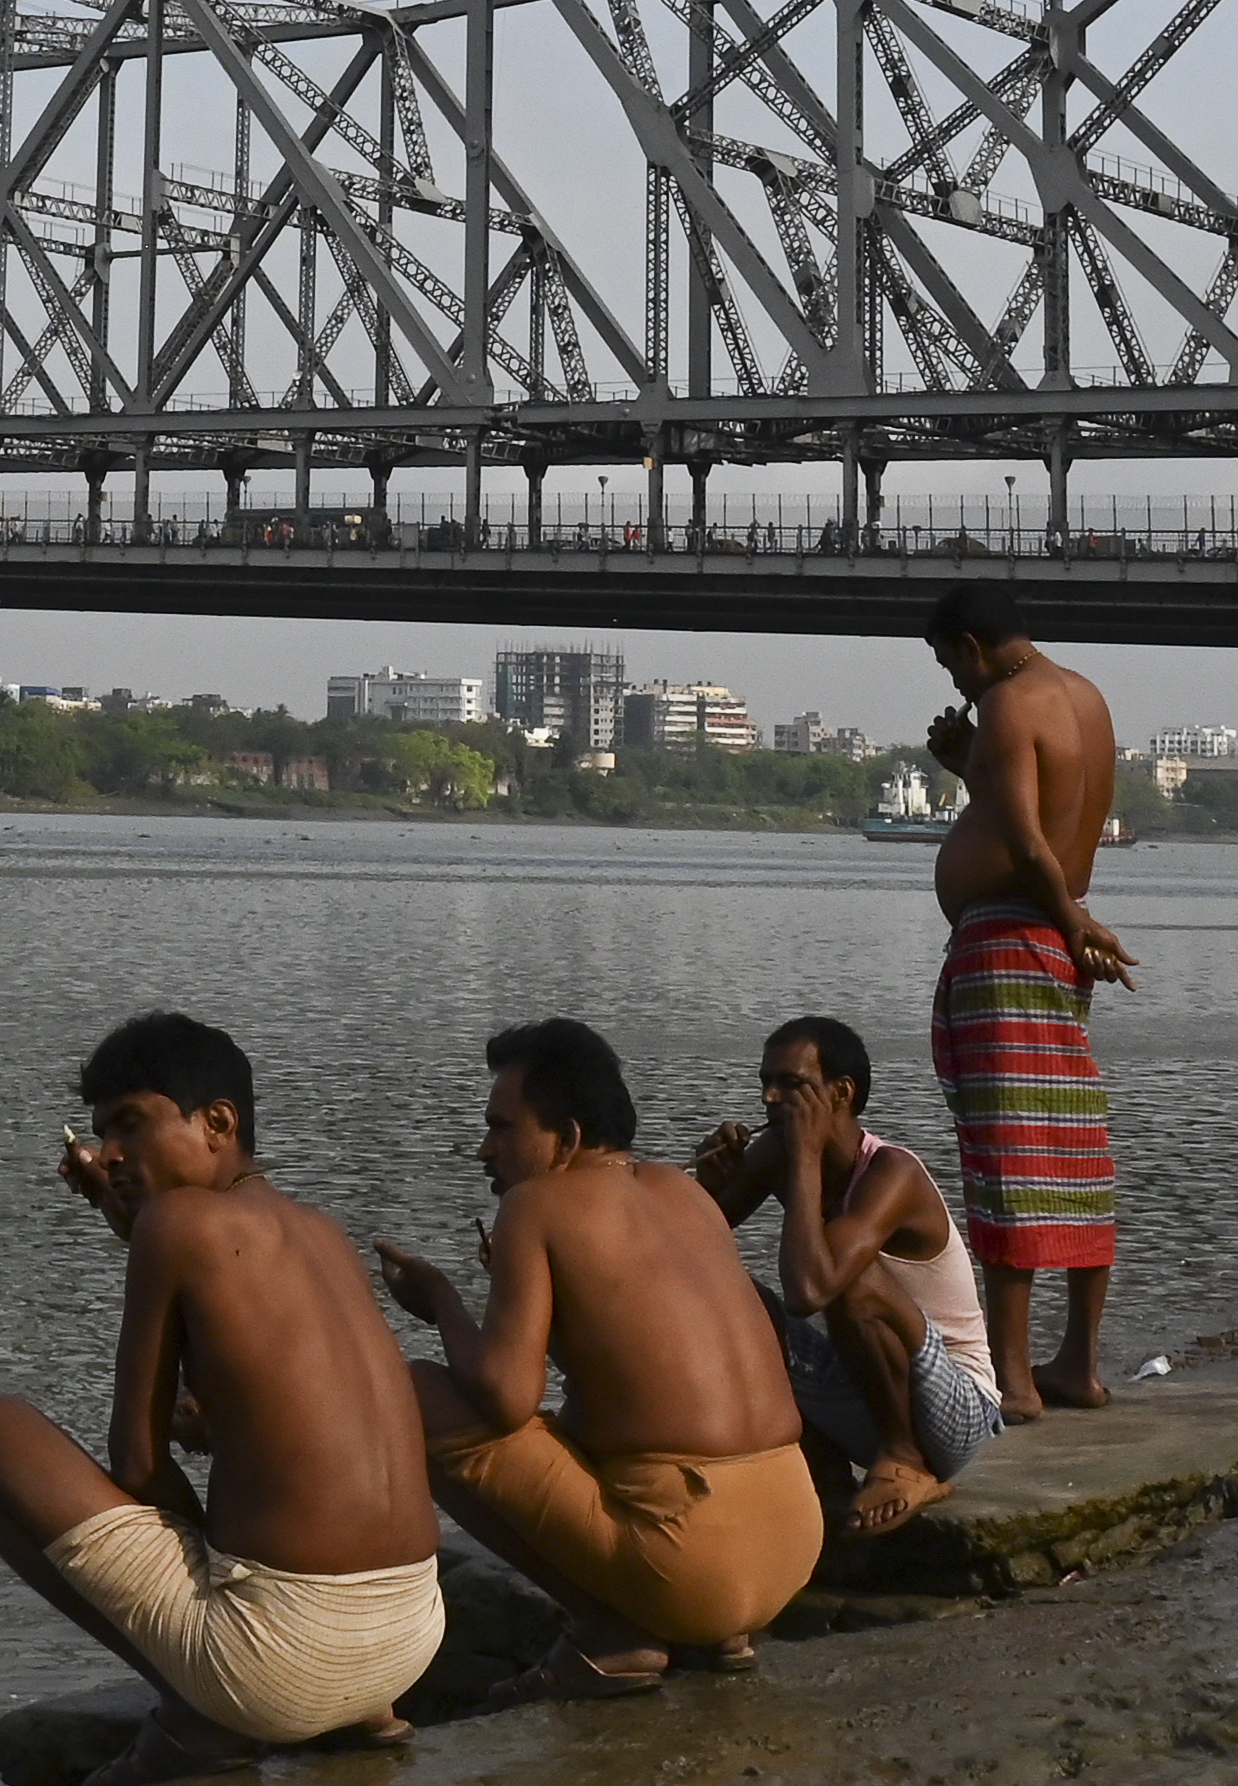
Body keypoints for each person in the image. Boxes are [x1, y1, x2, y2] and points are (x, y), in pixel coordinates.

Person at [0, 1012, 448, 1786]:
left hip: (282, 1664)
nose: (107, 1153)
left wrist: (212, 1579)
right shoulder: (320, 1231)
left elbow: (136, 1461)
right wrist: (133, 1214)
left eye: (129, 1124)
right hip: (409, 1638)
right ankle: (349, 1709)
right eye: (98, 1132)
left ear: (216, 1122)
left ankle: (196, 1713)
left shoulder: (174, 1224)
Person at [374, 1019, 823, 1699]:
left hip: (693, 1559)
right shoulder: (684, 1190)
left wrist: (439, 1299)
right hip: (792, 1534)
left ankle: (606, 1629)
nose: (483, 1149)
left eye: (501, 1127)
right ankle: (720, 1632)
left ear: (568, 1137)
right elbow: (631, 1379)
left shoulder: (534, 1204)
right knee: (591, 1427)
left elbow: (503, 1397)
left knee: (413, 1392)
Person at [920, 583, 1130, 1415]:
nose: (953, 678)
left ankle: (1011, 1378)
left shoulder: (1007, 703)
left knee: (1007, 1153)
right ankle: (1076, 1361)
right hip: (1049, 941)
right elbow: (1054, 805)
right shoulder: (1084, 696)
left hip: (1013, 939)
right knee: (1071, 1149)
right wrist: (965, 761)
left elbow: (1027, 839)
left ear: (971, 645)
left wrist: (1072, 914)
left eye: (947, 661)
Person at [687, 1014, 1002, 1530]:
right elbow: (684, 1252)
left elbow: (811, 1290)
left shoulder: (891, 1173)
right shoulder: (775, 1153)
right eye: (765, 1082)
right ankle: (823, 1467)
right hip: (866, 1394)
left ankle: (906, 1461)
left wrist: (805, 1160)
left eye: (792, 1085)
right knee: (727, 1294)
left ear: (841, 1093)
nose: (770, 1098)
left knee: (850, 1280)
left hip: (956, 1411)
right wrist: (707, 1185)